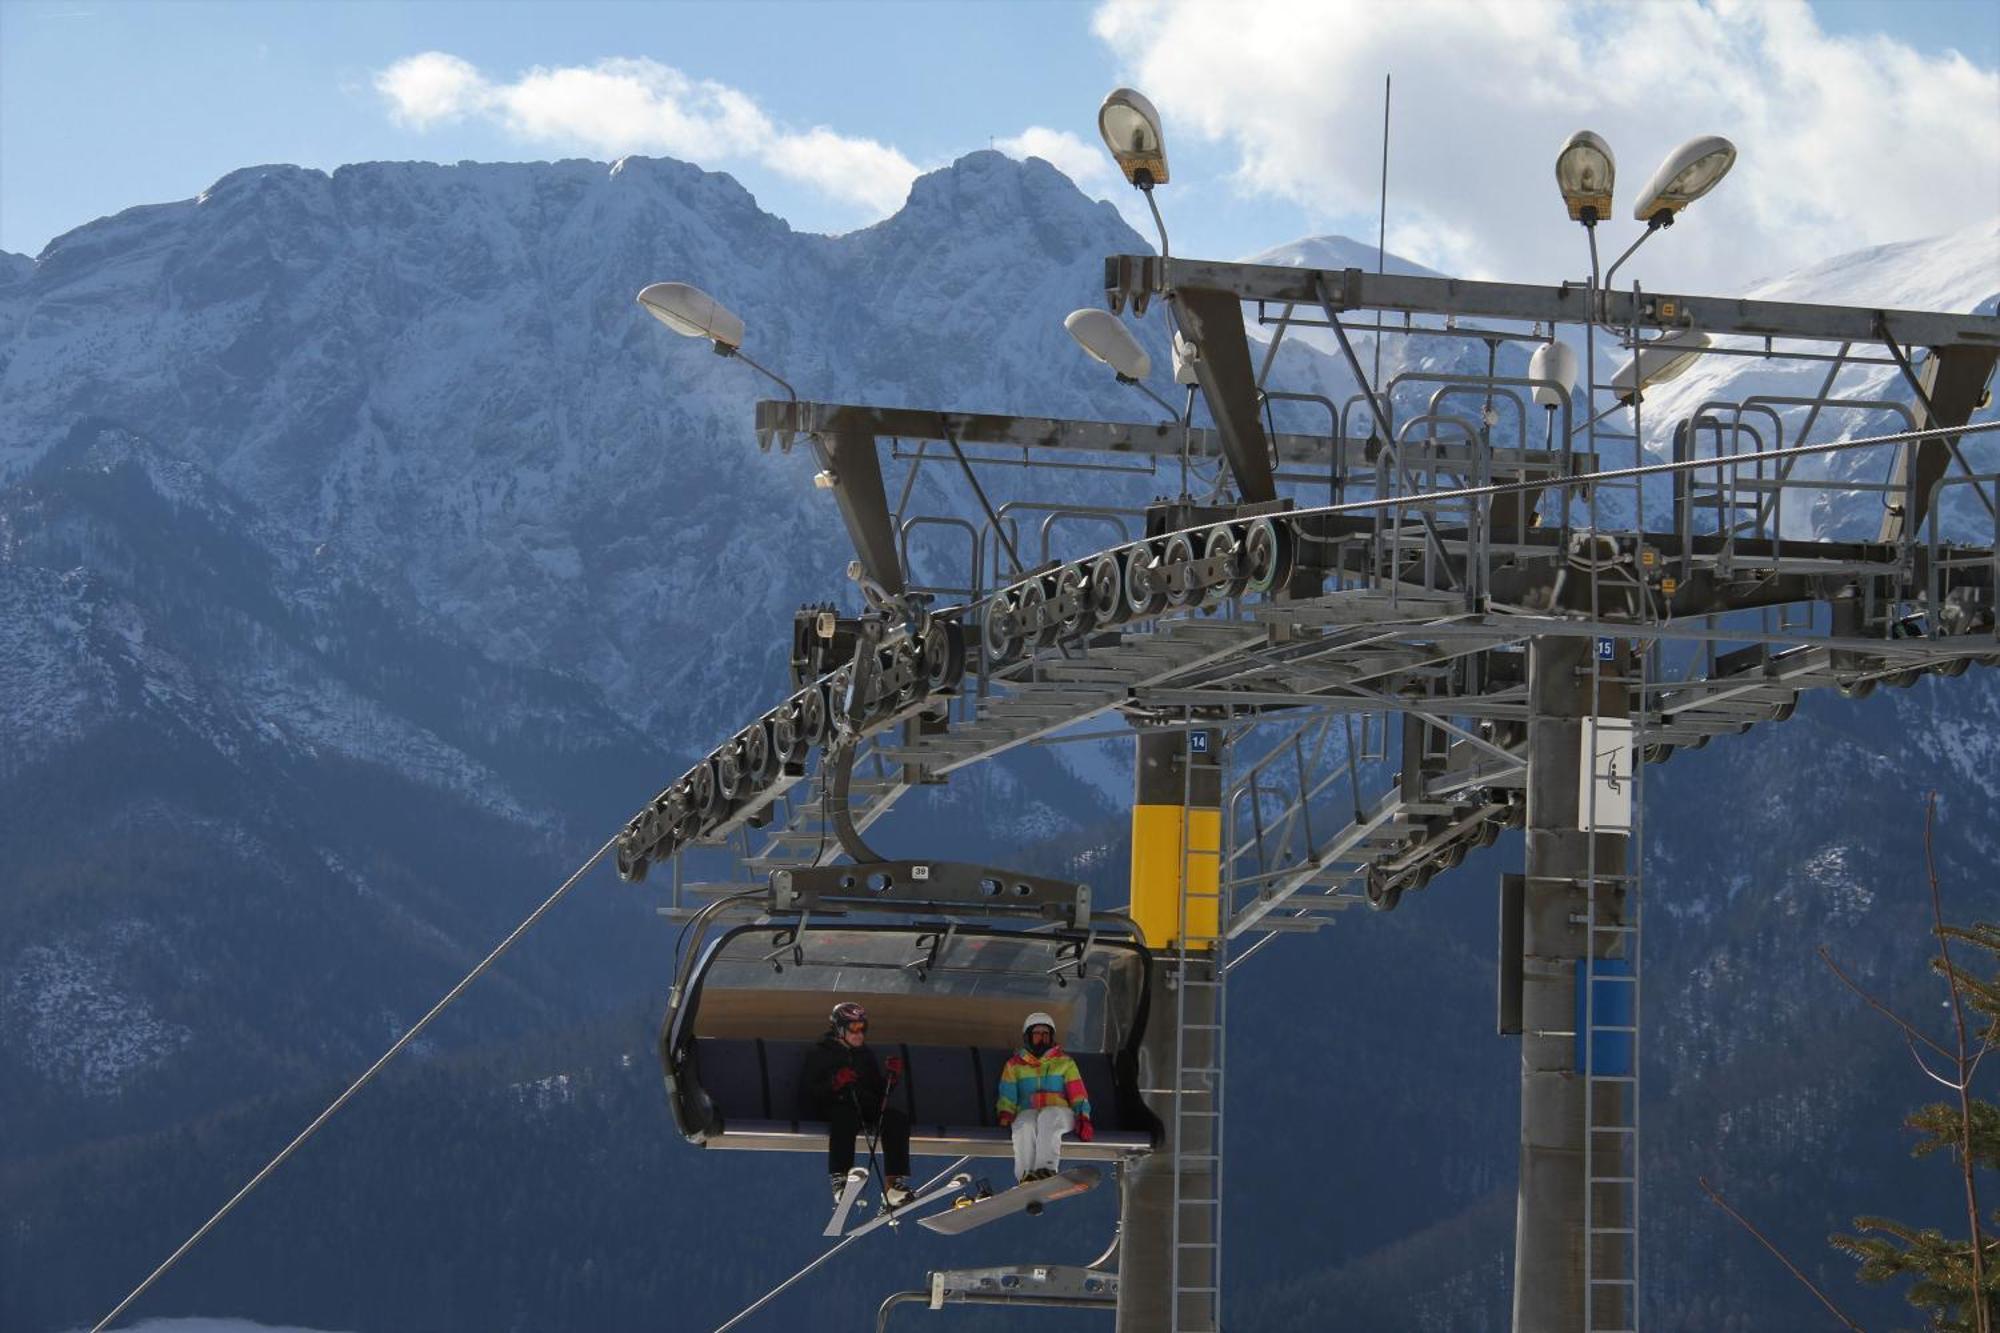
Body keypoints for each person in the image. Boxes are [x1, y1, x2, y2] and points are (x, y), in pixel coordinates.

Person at [800, 1000, 912, 1207]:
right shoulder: (820, 1053)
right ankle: (840, 1180)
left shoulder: (864, 1055)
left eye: (863, 1028)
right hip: (833, 1107)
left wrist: (890, 1079)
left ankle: (893, 1185)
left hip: (863, 1106)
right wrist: (835, 1082)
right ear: (840, 1028)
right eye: (854, 1028)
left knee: (895, 1119)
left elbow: (878, 1094)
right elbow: (809, 1090)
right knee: (845, 1116)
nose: (860, 1033)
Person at [994, 1011, 1093, 1184]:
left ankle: (1046, 1168)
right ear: (1028, 1037)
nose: (1041, 1039)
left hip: (1060, 1114)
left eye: (1046, 1035)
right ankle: (1026, 1174)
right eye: (1037, 1035)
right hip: (1030, 1111)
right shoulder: (1015, 1065)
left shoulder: (1064, 1063)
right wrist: (1005, 1116)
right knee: (1024, 1123)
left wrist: (1083, 1117)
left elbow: (1078, 1093)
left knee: (1048, 1116)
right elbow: (1007, 1096)